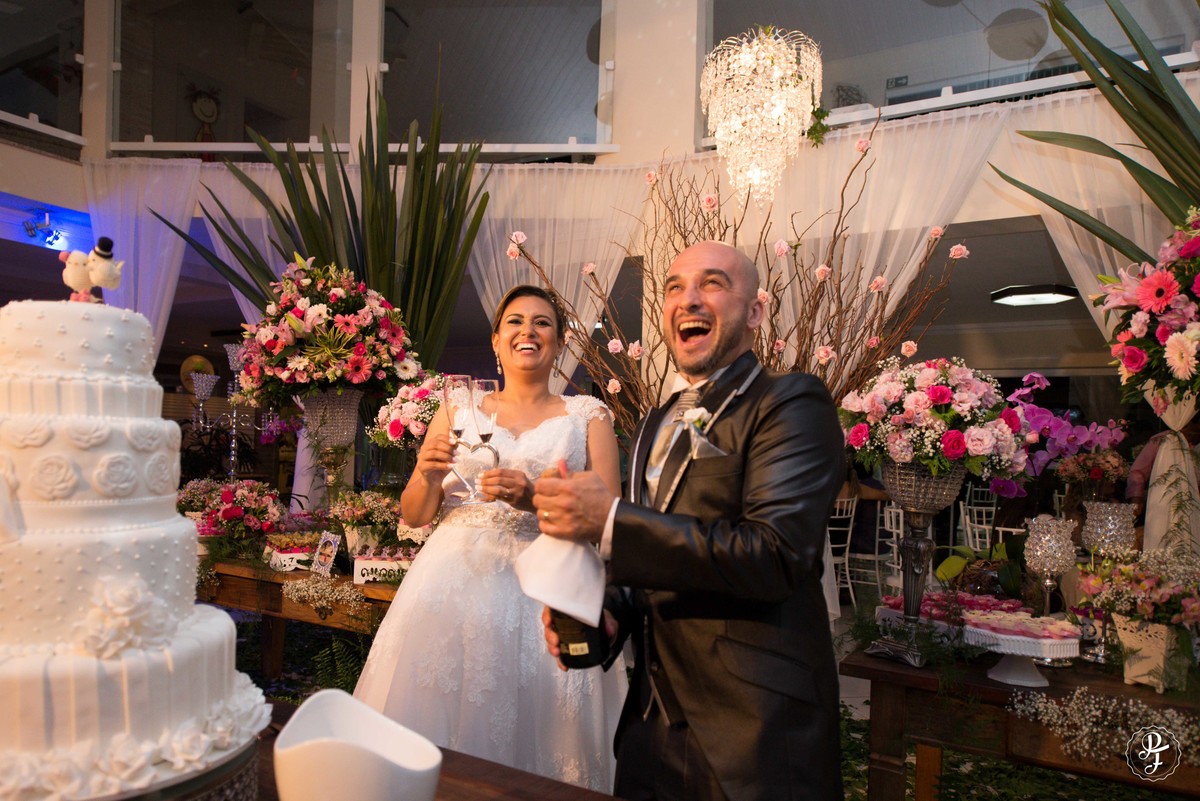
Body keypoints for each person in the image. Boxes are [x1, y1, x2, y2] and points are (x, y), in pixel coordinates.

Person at [532, 241, 846, 801]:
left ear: (756, 312)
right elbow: (652, 560)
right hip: (649, 729)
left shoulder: (791, 402)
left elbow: (774, 554)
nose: (689, 299)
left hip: (751, 734)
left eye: (713, 283)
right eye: (674, 287)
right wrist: (606, 614)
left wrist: (611, 519)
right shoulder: (655, 422)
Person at [353, 285, 627, 792]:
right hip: (452, 584)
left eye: (542, 323)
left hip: (547, 590)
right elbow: (415, 514)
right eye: (515, 322)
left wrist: (535, 499)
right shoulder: (460, 407)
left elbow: (610, 520)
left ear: (560, 342)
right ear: (496, 340)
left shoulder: (589, 416)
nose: (528, 331)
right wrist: (427, 474)